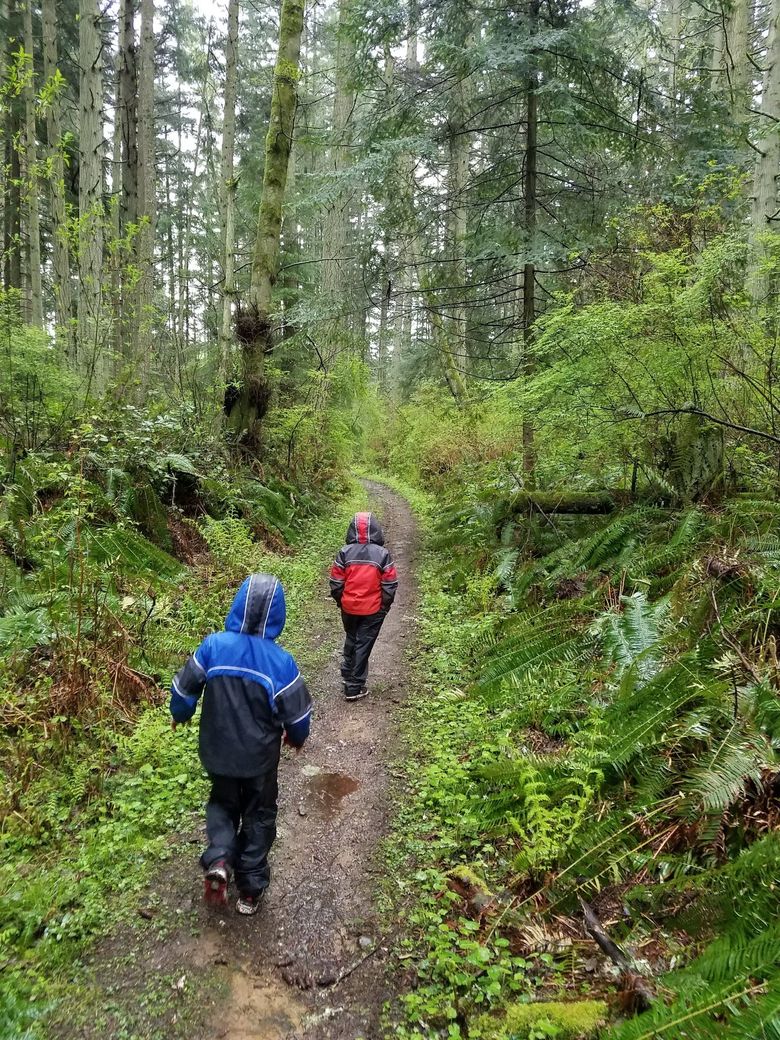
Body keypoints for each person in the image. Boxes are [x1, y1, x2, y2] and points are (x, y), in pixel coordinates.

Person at [169, 572, 311, 915]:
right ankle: (249, 890)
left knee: (222, 804)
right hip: (259, 761)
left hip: (218, 753)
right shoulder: (280, 662)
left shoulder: (214, 646)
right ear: (278, 615)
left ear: (237, 605)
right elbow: (298, 715)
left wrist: (181, 713)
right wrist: (296, 738)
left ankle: (219, 858)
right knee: (259, 815)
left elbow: (184, 688)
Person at [329, 512, 398, 701]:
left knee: (352, 637)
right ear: (376, 530)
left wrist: (342, 602)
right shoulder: (383, 555)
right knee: (363, 644)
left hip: (349, 608)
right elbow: (390, 584)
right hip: (373, 609)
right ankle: (354, 686)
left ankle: (347, 673)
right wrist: (384, 607)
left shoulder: (344, 553)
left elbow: (336, 583)